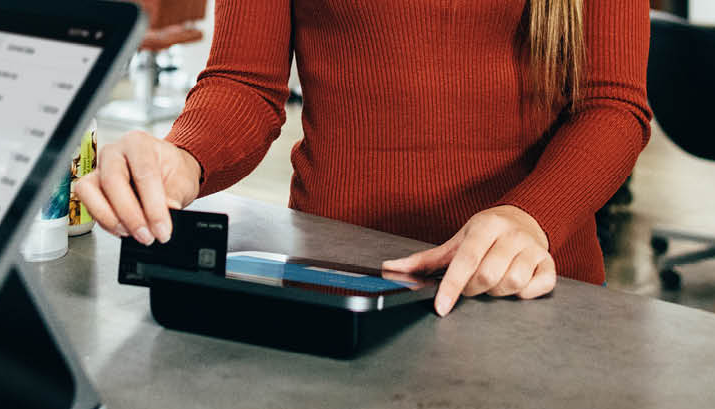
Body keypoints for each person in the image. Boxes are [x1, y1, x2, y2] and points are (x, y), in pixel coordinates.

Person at [74, 0, 651, 317]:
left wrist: (530, 216)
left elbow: (612, 105)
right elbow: (245, 85)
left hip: (525, 289)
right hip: (339, 283)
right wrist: (184, 155)